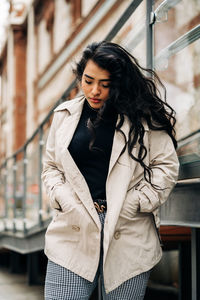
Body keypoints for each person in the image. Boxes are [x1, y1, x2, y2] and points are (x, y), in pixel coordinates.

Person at [42, 41, 179, 300]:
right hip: (74, 227)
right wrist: (63, 198)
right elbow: (51, 167)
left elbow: (166, 166)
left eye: (105, 85)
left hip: (127, 230)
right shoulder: (64, 115)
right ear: (80, 75)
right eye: (88, 80)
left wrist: (134, 203)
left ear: (118, 83)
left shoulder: (143, 116)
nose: (95, 91)